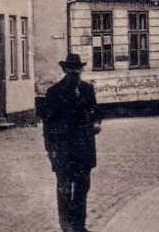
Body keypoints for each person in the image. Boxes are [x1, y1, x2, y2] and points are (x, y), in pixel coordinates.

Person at [42, 53, 103, 232]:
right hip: (63, 150)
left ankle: (79, 225)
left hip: (84, 149)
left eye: (78, 72)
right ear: (65, 71)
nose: (75, 76)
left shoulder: (87, 89)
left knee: (83, 188)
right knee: (64, 190)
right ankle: (66, 227)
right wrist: (50, 149)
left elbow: (96, 111)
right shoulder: (54, 92)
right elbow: (48, 124)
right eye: (72, 72)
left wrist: (97, 123)